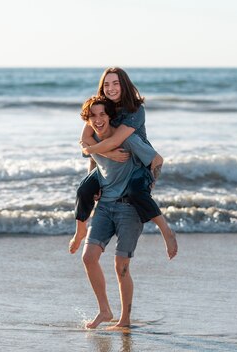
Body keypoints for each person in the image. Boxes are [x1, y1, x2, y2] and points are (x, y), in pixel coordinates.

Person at [69, 96, 163, 329]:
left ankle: (125, 320)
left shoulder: (127, 138)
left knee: (121, 267)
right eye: (93, 116)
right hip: (104, 207)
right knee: (88, 258)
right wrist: (99, 167)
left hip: (128, 207)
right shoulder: (91, 140)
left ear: (111, 116)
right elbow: (92, 157)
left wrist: (148, 184)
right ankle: (105, 310)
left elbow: (156, 160)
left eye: (103, 115)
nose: (98, 120)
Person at [73, 67, 177, 260]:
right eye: (106, 84)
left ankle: (166, 231)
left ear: (124, 85)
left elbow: (105, 143)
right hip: (110, 163)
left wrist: (90, 149)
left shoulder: (135, 110)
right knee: (84, 190)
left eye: (115, 83)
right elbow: (86, 137)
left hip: (138, 161)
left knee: (136, 192)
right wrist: (96, 168)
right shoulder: (101, 109)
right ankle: (80, 231)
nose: (110, 88)